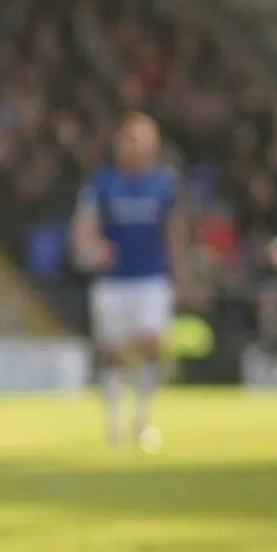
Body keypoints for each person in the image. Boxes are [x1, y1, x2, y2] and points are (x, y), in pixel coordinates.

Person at [71, 113, 183, 450]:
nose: (135, 146)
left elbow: (174, 232)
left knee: (151, 343)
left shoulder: (163, 185)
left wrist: (182, 275)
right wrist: (92, 248)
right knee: (113, 353)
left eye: (142, 139)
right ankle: (114, 423)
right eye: (129, 139)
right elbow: (84, 224)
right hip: (113, 281)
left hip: (151, 277)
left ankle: (143, 419)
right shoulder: (102, 183)